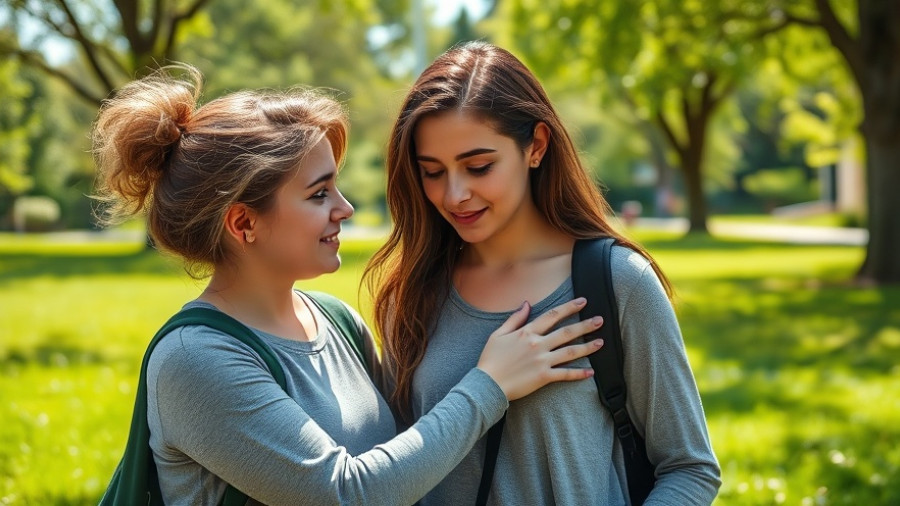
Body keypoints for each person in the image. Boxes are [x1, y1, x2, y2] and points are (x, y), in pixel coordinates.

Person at [91, 63, 608, 506]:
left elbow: (414, 457)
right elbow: (347, 494)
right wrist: (489, 384)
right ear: (244, 224)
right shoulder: (195, 360)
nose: (346, 209)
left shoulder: (338, 322)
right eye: (319, 194)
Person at [364, 41, 721, 505]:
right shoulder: (412, 295)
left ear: (536, 146)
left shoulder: (618, 282)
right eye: (432, 172)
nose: (454, 195)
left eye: (478, 166)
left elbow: (689, 469)